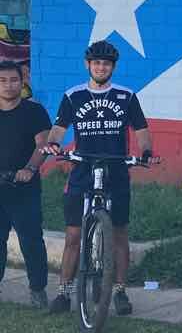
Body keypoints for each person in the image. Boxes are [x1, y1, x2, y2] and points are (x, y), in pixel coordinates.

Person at [44, 41, 153, 316]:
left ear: (113, 67)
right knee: (73, 235)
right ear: (87, 65)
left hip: (116, 169)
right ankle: (64, 292)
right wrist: (54, 144)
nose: (101, 67)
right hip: (82, 168)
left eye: (106, 63)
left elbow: (141, 129)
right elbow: (59, 128)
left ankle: (119, 291)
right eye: (96, 63)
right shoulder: (73, 95)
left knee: (119, 233)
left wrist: (146, 152)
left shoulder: (126, 96)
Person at [0, 60, 51, 308]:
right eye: (2, 80)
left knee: (31, 240)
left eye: (13, 80)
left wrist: (29, 169)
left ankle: (38, 289)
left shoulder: (34, 111)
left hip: (23, 187)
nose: (8, 85)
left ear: (22, 83)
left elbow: (43, 144)